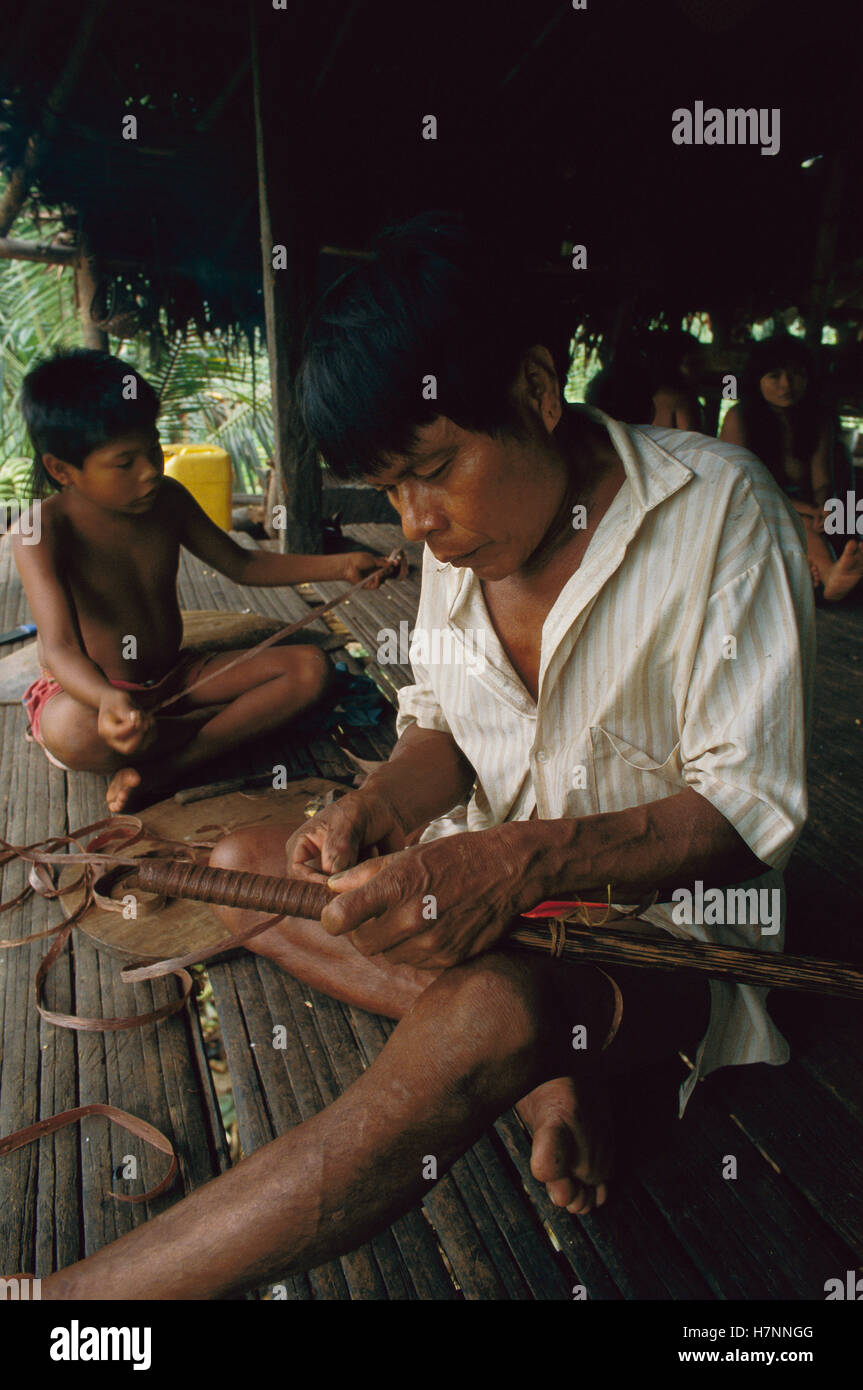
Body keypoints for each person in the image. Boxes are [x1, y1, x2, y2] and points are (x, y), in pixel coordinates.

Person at [38, 217, 814, 1301]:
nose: (418, 524)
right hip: (484, 918)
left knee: (489, 1011)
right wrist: (371, 811)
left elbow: (743, 812)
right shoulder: (460, 542)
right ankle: (543, 1074)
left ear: (538, 389)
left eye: (435, 470)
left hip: (664, 952)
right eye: (390, 489)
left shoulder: (719, 512)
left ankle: (75, 1307)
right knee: (256, 857)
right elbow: (440, 729)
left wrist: (518, 866)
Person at [11, 350, 392, 811]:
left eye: (153, 448)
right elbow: (59, 648)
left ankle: (174, 764)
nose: (151, 470)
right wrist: (108, 700)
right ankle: (222, 727)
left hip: (178, 676)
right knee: (72, 733)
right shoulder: (41, 532)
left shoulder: (167, 499)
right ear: (61, 470)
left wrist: (342, 566)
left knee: (309, 668)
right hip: (94, 697)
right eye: (124, 462)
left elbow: (242, 565)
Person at [720, 337, 863, 601]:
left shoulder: (819, 420)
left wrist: (824, 507)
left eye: (796, 375)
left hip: (802, 511)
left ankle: (813, 574)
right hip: (749, 507)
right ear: (757, 379)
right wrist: (809, 511)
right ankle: (830, 576)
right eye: (774, 376)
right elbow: (744, 486)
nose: (787, 385)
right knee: (800, 522)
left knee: (828, 521)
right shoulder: (739, 418)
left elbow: (822, 479)